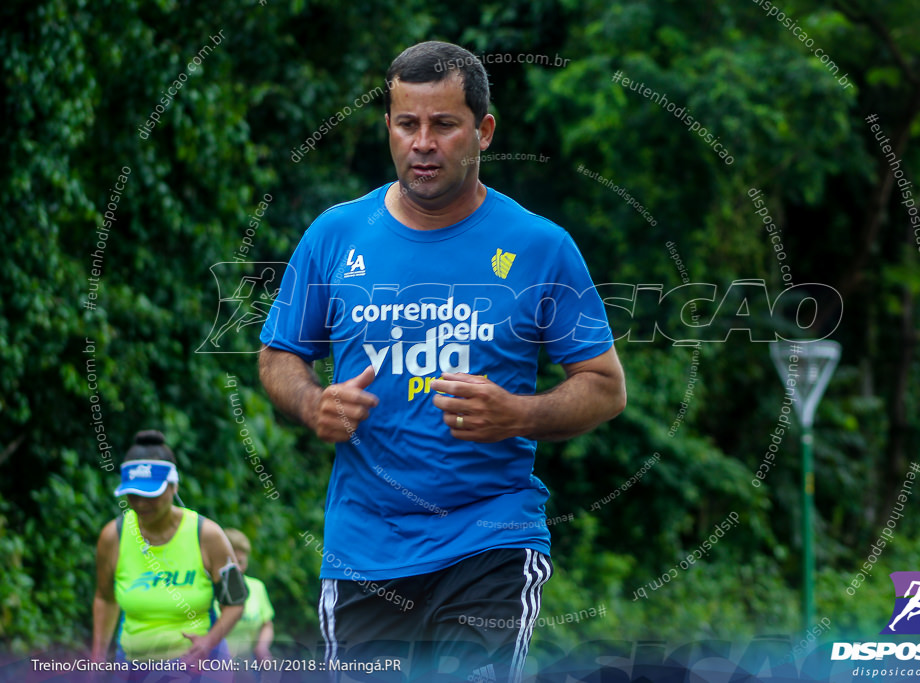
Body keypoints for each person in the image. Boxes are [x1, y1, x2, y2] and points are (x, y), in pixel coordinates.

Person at [258, 40, 626, 682]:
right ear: (389, 128)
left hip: (491, 539)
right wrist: (312, 402)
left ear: (482, 131)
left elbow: (604, 386)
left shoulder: (540, 246)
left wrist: (518, 413)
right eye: (408, 124)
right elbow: (280, 354)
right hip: (364, 550)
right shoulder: (335, 235)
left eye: (443, 125)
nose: (423, 143)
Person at [92, 430, 248, 680]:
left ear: (174, 485)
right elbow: (105, 598)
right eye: (133, 493)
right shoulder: (114, 536)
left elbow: (235, 601)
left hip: (199, 664)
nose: (141, 503)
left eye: (151, 493)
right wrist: (98, 659)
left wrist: (208, 642)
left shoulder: (206, 535)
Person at [221, 528, 275, 663]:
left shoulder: (257, 587)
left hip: (248, 662)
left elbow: (266, 625)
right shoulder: (209, 589)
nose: (237, 569)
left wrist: (262, 648)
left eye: (240, 562)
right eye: (232, 563)